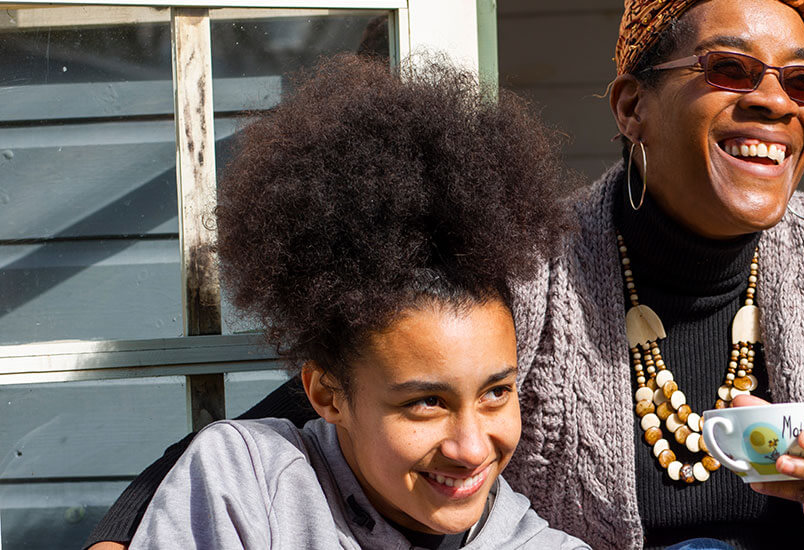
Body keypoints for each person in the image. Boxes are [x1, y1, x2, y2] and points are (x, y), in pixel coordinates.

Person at [89, 1, 804, 549]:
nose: (773, 99)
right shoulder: (524, 263)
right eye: (729, 69)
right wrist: (122, 530)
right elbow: (330, 399)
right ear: (631, 106)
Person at [126, 55, 584, 549]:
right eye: (426, 402)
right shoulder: (244, 487)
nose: (471, 449)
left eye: (497, 393)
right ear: (327, 394)